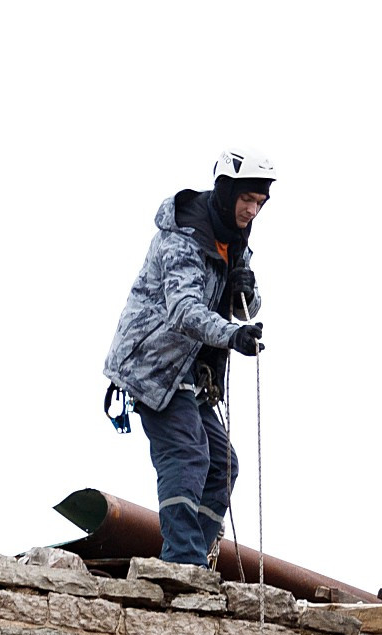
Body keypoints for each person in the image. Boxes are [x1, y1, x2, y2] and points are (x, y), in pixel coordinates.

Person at [103, 151, 273, 567]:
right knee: (188, 454)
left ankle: (194, 556)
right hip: (154, 365)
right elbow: (184, 310)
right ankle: (182, 562)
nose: (252, 211)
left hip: (192, 372)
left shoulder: (234, 241)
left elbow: (246, 306)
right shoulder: (183, 236)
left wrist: (246, 289)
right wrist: (232, 335)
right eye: (247, 199)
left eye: (260, 202)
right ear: (227, 192)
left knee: (223, 465)